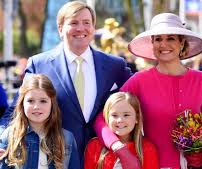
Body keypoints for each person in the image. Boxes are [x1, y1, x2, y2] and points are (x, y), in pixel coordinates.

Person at [0, 1, 132, 167]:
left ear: (93, 27)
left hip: (103, 158)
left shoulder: (114, 65)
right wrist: (1, 138)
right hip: (59, 158)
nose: (81, 28)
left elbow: (138, 97)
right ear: (60, 28)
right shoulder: (39, 64)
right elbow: (16, 108)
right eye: (74, 23)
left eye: (86, 23)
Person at [94, 13, 202, 169]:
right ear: (152, 43)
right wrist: (119, 148)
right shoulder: (139, 81)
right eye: (158, 39)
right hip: (152, 164)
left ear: (181, 42)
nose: (163, 44)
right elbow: (102, 119)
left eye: (170, 38)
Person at [0, 74, 79, 169]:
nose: (36, 106)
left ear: (52, 104)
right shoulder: (9, 136)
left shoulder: (67, 138)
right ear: (22, 104)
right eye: (30, 101)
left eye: (43, 101)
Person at [84, 92, 159, 169]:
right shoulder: (95, 145)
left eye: (126, 115)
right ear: (107, 118)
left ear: (137, 118)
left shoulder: (147, 148)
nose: (120, 120)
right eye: (114, 115)